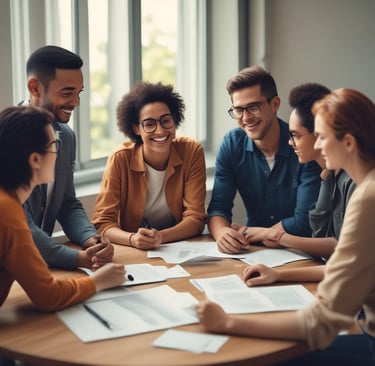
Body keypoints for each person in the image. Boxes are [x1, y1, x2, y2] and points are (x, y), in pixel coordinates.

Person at [196, 88, 375, 365]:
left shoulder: (367, 198)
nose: (319, 145)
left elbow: (320, 323)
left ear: (348, 143)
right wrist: (280, 276)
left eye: (323, 137)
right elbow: (350, 267)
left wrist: (227, 322)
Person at [0, 106, 126, 310]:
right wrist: (98, 281)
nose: (58, 155)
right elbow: (48, 296)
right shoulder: (8, 212)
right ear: (34, 160)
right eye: (54, 146)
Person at [207, 66, 322, 254]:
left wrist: (254, 233)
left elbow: (304, 222)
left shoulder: (303, 146)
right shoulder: (231, 145)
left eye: (253, 107)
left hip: (299, 252)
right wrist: (223, 234)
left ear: (274, 104)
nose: (245, 118)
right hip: (251, 249)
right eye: (238, 110)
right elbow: (218, 208)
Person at [239, 83, 355, 261]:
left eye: (296, 135)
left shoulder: (353, 181)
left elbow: (339, 248)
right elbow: (321, 237)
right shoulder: (328, 174)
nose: (290, 142)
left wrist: (274, 236)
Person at [22, 45, 113, 270]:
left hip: (44, 267)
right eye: (67, 93)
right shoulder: (7, 139)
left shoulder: (67, 137)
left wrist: (92, 240)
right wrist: (77, 258)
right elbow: (19, 224)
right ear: (35, 88)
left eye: (79, 93)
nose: (76, 103)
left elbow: (66, 202)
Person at [92, 81, 207, 250]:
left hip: (177, 246)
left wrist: (160, 237)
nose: (160, 131)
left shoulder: (192, 152)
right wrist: (132, 239)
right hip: (132, 249)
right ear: (137, 129)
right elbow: (103, 223)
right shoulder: (120, 158)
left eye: (166, 121)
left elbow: (196, 219)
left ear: (175, 121)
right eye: (149, 124)